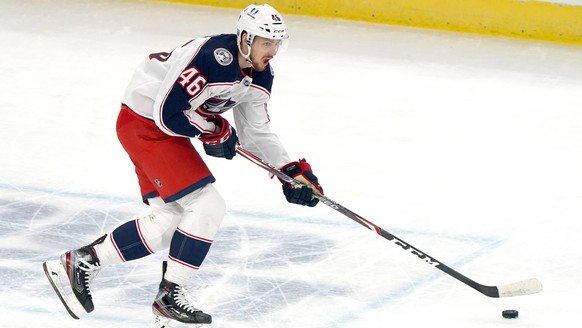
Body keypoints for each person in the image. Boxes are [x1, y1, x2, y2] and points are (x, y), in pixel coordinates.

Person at [43, 3, 323, 327]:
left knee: (169, 220)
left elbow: (257, 133)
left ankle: (81, 262)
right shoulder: (213, 57)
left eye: (277, 43)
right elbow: (167, 112)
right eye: (265, 41)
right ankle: (170, 295)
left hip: (159, 128)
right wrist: (214, 130)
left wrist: (291, 171)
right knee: (207, 206)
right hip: (145, 122)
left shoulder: (261, 75)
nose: (272, 50)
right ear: (245, 38)